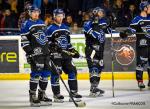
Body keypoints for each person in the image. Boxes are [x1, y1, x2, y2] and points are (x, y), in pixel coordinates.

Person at [20, 5, 56, 106]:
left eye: (37, 12)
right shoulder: (26, 24)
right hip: (35, 54)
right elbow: (24, 41)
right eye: (33, 12)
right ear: (30, 13)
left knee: (46, 74)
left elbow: (44, 38)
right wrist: (30, 52)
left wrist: (50, 46)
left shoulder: (41, 22)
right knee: (36, 74)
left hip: (45, 53)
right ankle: (32, 96)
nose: (36, 14)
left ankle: (42, 94)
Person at [46, 8, 82, 103]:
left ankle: (73, 93)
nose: (60, 18)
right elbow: (46, 43)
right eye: (58, 16)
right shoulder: (49, 29)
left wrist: (73, 51)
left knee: (72, 71)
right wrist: (52, 46)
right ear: (54, 17)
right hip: (55, 56)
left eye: (62, 16)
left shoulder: (66, 27)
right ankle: (56, 94)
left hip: (66, 55)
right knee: (55, 75)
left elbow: (67, 43)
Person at [120, 1, 150, 89]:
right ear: (145, 8)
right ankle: (140, 81)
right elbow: (131, 30)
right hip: (142, 45)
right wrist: (125, 33)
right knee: (141, 63)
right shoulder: (137, 19)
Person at [83, 7, 112, 97]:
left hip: (100, 50)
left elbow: (109, 31)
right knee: (94, 68)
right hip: (91, 49)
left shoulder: (103, 22)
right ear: (95, 13)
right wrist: (98, 29)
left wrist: (111, 23)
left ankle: (94, 88)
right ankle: (93, 88)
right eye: (100, 12)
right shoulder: (88, 23)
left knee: (99, 69)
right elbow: (94, 34)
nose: (102, 13)